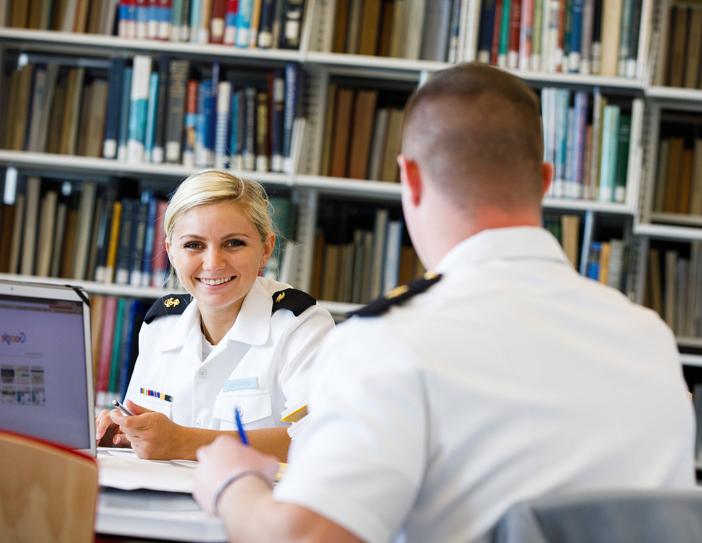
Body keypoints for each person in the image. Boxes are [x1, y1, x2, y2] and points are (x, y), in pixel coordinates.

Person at [192, 63, 696, 542]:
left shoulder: (388, 342)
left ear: (409, 178)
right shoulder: (647, 336)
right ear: (544, 180)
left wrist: (232, 484)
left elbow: (306, 539)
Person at [95, 170, 335, 461]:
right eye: (194, 245)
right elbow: (149, 425)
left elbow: (321, 440)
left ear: (266, 249)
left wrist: (185, 442)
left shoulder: (302, 325)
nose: (213, 263)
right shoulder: (160, 324)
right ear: (171, 252)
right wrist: (130, 434)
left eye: (234, 243)